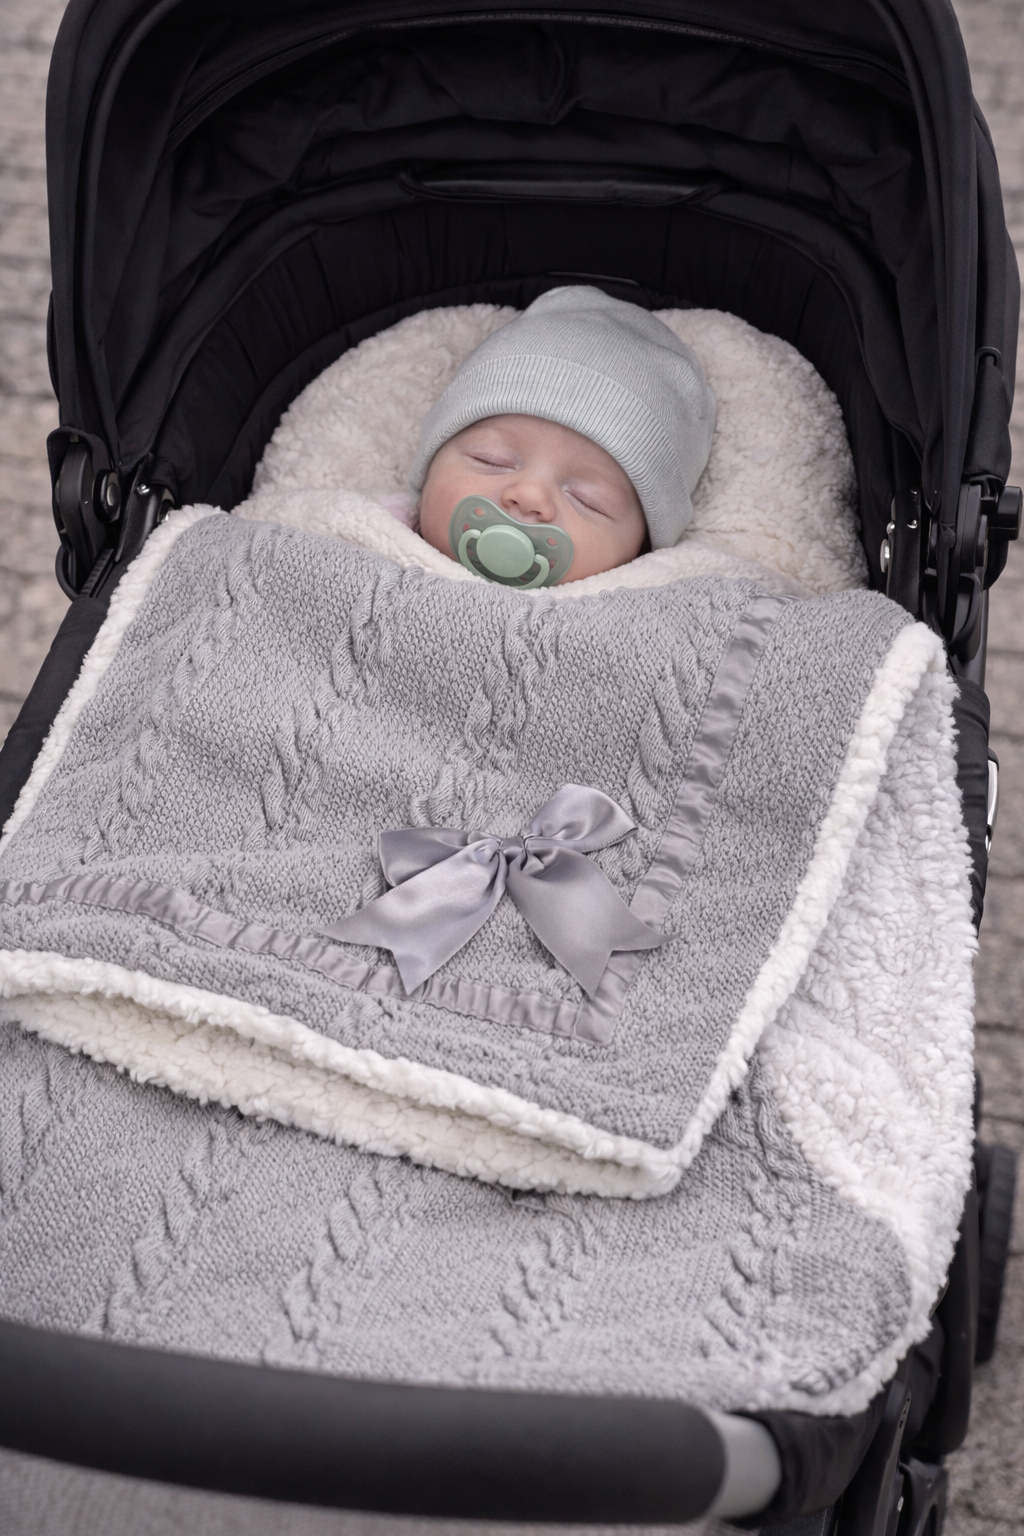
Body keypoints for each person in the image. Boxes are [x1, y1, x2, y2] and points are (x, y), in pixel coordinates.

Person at [403, 285, 716, 585]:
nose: (530, 496)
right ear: (428, 471)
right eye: (491, 460)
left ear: (640, 551)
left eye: (587, 500)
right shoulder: (378, 549)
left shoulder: (663, 608)